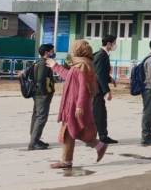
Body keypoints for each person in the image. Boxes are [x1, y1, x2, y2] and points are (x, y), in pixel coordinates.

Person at [44, 40, 108, 169]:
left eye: (73, 48)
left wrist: (79, 105)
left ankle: (67, 161)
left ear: (78, 50)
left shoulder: (82, 65)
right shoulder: (81, 63)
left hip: (75, 105)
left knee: (71, 131)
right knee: (75, 131)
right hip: (74, 104)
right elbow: (69, 76)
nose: (72, 51)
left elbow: (83, 88)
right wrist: (55, 66)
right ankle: (98, 146)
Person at [29, 44, 56, 151]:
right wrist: (45, 93)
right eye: (52, 51)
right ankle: (34, 143)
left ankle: (34, 139)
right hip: (42, 94)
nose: (53, 53)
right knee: (41, 117)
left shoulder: (38, 62)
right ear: (46, 53)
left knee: (36, 116)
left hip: (38, 94)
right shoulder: (44, 63)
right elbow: (40, 79)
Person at [92, 35, 117, 145]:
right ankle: (102, 136)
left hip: (96, 89)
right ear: (108, 44)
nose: (115, 45)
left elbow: (101, 71)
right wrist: (107, 91)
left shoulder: (101, 54)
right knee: (100, 113)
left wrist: (110, 78)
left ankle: (96, 136)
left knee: (98, 113)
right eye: (114, 43)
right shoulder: (102, 55)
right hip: (96, 90)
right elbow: (99, 74)